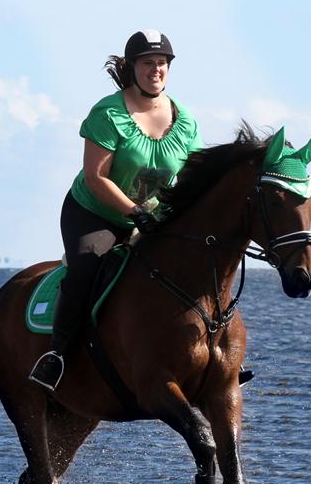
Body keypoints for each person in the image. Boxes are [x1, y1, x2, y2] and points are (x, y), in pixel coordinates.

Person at [29, 29, 202, 391]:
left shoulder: (184, 120)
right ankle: (56, 356)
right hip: (96, 214)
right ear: (132, 67)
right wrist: (135, 212)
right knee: (85, 271)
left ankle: (214, 359)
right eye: (147, 63)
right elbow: (96, 177)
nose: (156, 70)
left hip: (153, 218)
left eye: (161, 63)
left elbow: (191, 178)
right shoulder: (109, 113)